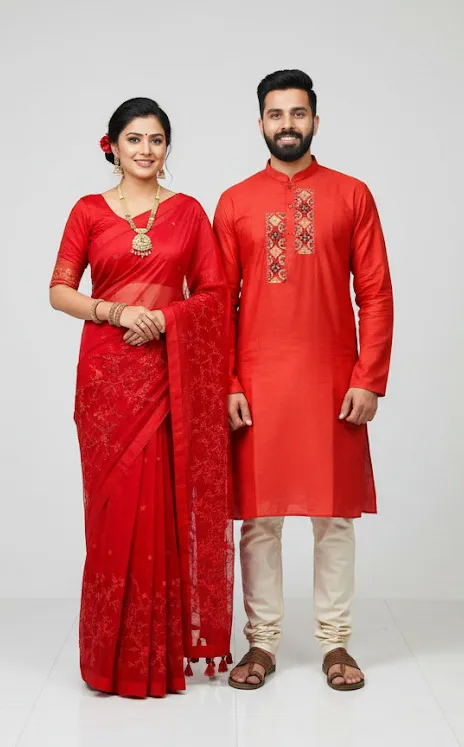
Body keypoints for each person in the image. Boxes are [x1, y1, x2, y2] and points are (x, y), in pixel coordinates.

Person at [213, 70, 393, 691]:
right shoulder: (235, 202)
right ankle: (260, 643)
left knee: (333, 516)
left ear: (315, 120)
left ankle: (335, 642)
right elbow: (219, 303)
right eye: (275, 114)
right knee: (259, 520)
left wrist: (369, 377)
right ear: (260, 123)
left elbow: (376, 293)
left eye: (297, 113)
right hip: (258, 383)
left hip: (333, 382)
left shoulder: (352, 195)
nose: (286, 124)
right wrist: (228, 381)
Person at [49, 97, 233, 698]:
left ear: (167, 146)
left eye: (156, 139)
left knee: (162, 508)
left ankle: (158, 656)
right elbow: (59, 290)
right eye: (134, 139)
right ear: (113, 146)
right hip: (106, 380)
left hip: (166, 376)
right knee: (112, 512)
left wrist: (166, 319)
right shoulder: (88, 211)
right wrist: (117, 311)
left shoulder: (188, 212)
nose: (146, 150)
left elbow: (214, 293)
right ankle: (108, 658)